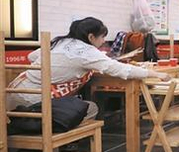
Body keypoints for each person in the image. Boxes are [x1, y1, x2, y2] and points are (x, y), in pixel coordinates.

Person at [7, 17, 170, 118]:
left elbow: (31, 56)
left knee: (76, 104)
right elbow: (121, 70)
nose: (103, 41)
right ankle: (65, 145)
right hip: (35, 103)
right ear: (91, 37)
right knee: (91, 108)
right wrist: (155, 74)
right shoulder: (86, 52)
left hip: (14, 95)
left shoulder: (59, 41)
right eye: (102, 37)